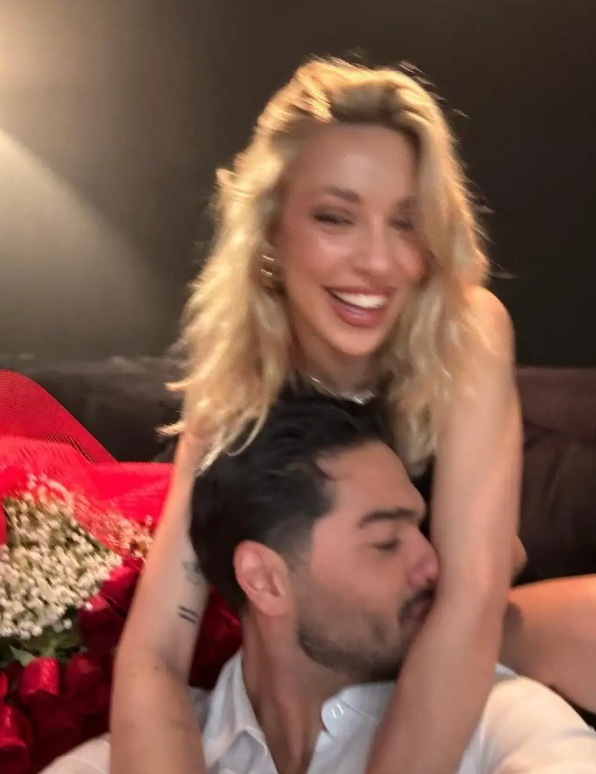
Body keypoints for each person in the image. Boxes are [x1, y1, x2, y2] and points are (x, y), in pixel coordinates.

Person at [111, 57, 596, 774]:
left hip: (451, 616)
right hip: (316, 646)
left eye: (406, 223)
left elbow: (470, 599)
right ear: (271, 230)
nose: (378, 261)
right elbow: (157, 647)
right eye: (335, 218)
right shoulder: (238, 365)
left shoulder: (466, 330)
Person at [43, 400, 596, 773]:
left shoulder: (496, 725)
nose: (434, 563)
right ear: (265, 580)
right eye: (386, 542)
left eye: (423, 529)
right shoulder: (137, 755)